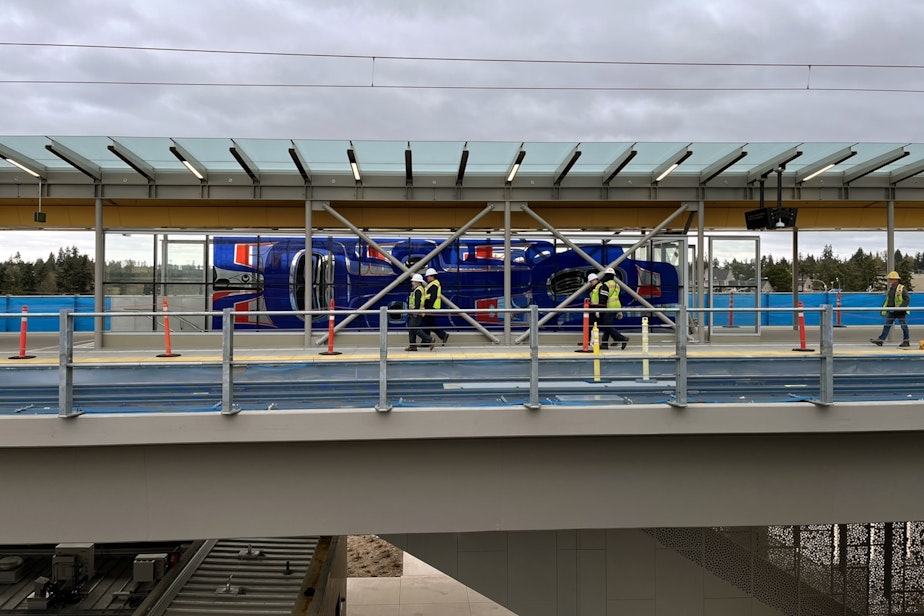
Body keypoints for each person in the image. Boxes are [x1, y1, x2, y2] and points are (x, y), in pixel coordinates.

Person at [590, 267, 628, 350]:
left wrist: (599, 310)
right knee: (608, 325)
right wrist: (619, 310)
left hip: (609, 307)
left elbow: (603, 298)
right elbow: (619, 297)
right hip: (616, 306)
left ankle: (621, 338)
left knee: (606, 324)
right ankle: (604, 344)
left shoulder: (606, 285)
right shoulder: (617, 285)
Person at [871, 270, 911, 347]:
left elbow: (907, 299)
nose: (889, 280)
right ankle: (881, 340)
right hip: (892, 311)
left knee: (903, 326)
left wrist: (901, 308)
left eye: (891, 279)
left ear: (895, 279)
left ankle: (906, 341)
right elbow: (889, 300)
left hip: (900, 311)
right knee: (887, 325)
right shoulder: (891, 289)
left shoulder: (901, 288)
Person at [423, 267, 449, 348]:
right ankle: (441, 336)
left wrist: (429, 309)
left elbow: (433, 297)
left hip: (431, 307)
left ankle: (427, 341)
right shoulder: (433, 284)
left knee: (426, 323)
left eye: (428, 276)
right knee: (429, 324)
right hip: (431, 307)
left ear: (432, 276)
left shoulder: (434, 285)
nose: (427, 278)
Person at [405, 273, 429, 351]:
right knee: (412, 329)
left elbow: (418, 302)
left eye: (414, 281)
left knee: (413, 327)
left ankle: (429, 339)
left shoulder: (418, 290)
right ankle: (412, 346)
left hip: (417, 313)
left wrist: (415, 310)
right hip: (416, 312)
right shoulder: (418, 289)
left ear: (418, 282)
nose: (412, 283)